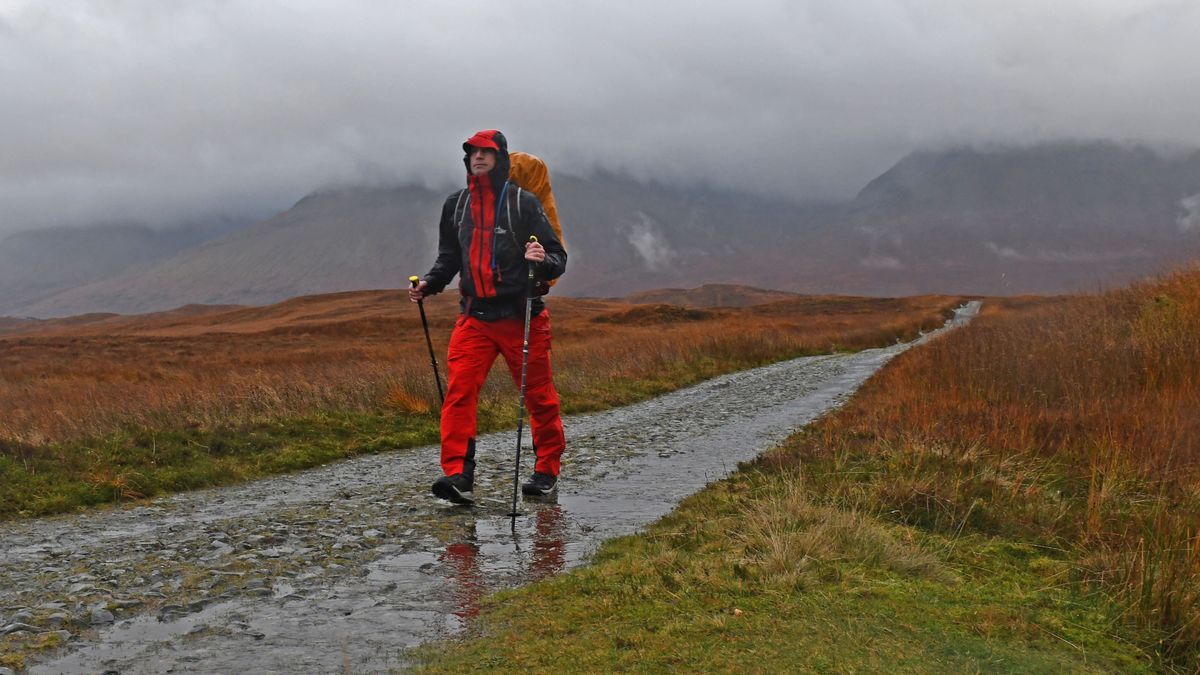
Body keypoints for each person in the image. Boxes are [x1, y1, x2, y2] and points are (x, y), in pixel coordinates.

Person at [409, 130, 568, 504]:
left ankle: (546, 470)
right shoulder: (456, 206)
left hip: (521, 317)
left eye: (487, 153)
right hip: (474, 319)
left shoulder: (524, 204)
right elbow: (449, 258)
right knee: (459, 393)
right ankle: (457, 476)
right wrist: (430, 284)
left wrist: (541, 261)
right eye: (473, 152)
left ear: (502, 159)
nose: (478, 157)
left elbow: (558, 257)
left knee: (539, 397)